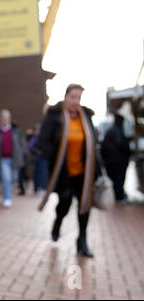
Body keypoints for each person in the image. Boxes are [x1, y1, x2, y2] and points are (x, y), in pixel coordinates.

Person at [36, 84, 100, 257]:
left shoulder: (85, 116)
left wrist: (98, 172)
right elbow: (42, 142)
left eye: (79, 98)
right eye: (73, 97)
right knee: (64, 204)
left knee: (85, 205)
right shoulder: (55, 116)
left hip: (83, 173)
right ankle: (57, 223)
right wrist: (55, 157)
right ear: (66, 97)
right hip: (63, 172)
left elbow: (93, 144)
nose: (76, 101)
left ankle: (82, 241)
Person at [0, 109, 26, 208]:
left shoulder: (15, 130)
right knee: (6, 178)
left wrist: (23, 153)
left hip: (14, 159)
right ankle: (7, 198)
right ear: (0, 119)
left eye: (6, 118)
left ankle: (7, 193)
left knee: (13, 179)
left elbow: (22, 143)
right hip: (3, 159)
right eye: (3, 118)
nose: (5, 120)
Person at [101, 113, 131, 202]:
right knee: (118, 180)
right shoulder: (118, 131)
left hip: (112, 162)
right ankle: (118, 196)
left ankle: (116, 195)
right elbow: (123, 147)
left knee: (115, 180)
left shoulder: (112, 130)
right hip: (117, 162)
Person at [28, 124, 48, 194]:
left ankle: (39, 188)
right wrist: (37, 151)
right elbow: (30, 146)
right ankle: (39, 188)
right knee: (40, 173)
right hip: (39, 157)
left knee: (40, 173)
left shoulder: (39, 136)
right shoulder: (36, 137)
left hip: (41, 157)